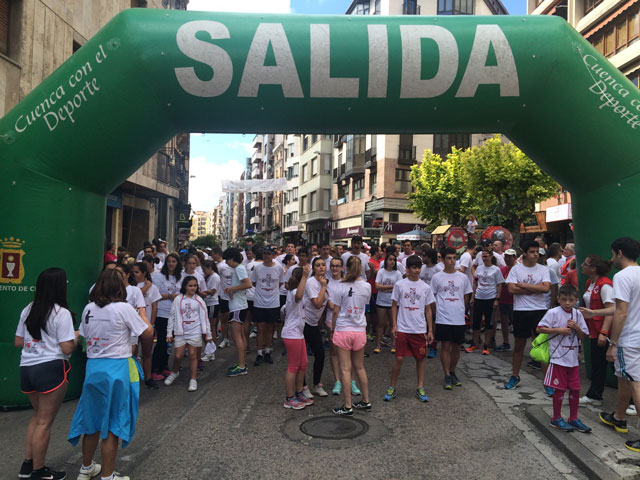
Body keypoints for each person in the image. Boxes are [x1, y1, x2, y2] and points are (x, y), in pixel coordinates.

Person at [68, 269, 153, 480]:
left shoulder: (89, 308)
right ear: (120, 287)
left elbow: (83, 336)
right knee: (113, 423)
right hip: (116, 368)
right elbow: (147, 332)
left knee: (92, 420)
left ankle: (86, 468)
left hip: (94, 368)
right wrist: (142, 313)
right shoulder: (124, 308)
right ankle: (108, 475)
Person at [15, 268, 78, 480]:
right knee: (45, 422)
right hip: (51, 368)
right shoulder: (62, 313)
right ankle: (39, 471)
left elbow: (18, 341)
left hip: (27, 367)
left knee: (37, 417)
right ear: (60, 287)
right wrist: (76, 338)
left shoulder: (28, 309)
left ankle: (28, 465)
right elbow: (67, 348)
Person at [586, 237, 640, 452]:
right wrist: (594, 312)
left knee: (635, 382)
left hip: (630, 338)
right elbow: (621, 307)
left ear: (619, 253)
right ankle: (618, 417)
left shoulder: (621, 276)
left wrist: (613, 343)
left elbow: (622, 312)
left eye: (612, 254)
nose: (611, 258)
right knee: (623, 378)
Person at [538, 285, 591, 433]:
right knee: (559, 389)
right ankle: (556, 418)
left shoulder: (578, 315)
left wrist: (577, 328)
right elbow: (540, 328)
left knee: (575, 389)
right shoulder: (553, 312)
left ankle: (573, 418)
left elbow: (583, 335)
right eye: (564, 299)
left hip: (573, 359)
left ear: (576, 300)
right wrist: (558, 330)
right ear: (558, 299)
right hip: (558, 358)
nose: (567, 303)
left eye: (571, 300)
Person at [384, 256, 435, 402]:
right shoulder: (400, 285)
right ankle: (392, 387)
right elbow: (394, 305)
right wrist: (394, 325)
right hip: (403, 328)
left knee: (420, 358)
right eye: (413, 267)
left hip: (419, 329)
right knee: (399, 358)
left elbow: (428, 310)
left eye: (419, 267)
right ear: (407, 269)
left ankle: (420, 387)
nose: (416, 270)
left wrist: (430, 330)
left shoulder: (425, 287)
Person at [504, 240, 551, 389]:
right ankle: (515, 376)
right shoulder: (516, 270)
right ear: (525, 253)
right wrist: (533, 289)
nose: (535, 254)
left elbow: (545, 289)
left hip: (539, 310)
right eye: (532, 252)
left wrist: (524, 285)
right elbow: (511, 289)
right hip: (521, 311)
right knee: (519, 345)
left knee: (542, 346)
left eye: (537, 252)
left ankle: (547, 382)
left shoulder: (543, 269)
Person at [330, 256, 372, 415]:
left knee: (345, 369)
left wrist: (333, 329)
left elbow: (335, 310)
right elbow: (364, 306)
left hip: (343, 329)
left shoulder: (340, 286)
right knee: (360, 367)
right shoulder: (367, 286)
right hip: (359, 329)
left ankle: (347, 406)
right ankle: (366, 400)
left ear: (346, 268)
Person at [431, 247, 473, 390]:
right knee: (445, 346)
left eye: (454, 258)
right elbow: (432, 298)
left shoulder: (463, 277)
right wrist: (437, 314)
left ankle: (453, 371)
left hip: (458, 317)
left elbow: (466, 296)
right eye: (448, 258)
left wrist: (462, 309)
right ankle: (447, 374)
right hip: (443, 317)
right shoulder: (437, 277)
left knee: (456, 347)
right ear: (442, 260)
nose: (452, 261)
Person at [577, 255, 613, 406]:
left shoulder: (605, 285)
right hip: (593, 329)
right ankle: (595, 394)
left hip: (603, 332)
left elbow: (611, 310)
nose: (582, 266)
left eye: (585, 264)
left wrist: (604, 333)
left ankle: (632, 400)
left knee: (614, 365)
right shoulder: (589, 283)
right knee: (598, 363)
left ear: (593, 268)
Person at [164, 276, 211, 391]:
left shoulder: (199, 300)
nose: (193, 288)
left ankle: (193, 379)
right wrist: (169, 333)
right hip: (181, 332)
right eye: (190, 285)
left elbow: (205, 318)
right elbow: (172, 316)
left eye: (195, 286)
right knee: (178, 355)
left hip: (195, 331)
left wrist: (208, 334)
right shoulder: (178, 299)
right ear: (185, 286)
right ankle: (174, 372)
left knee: (193, 355)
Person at [282, 265, 312, 409]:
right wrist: (305, 276)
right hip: (291, 334)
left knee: (303, 363)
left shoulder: (297, 291)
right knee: (293, 366)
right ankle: (289, 398)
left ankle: (299, 393)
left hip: (298, 333)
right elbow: (298, 296)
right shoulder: (294, 291)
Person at [150, 252, 183, 381]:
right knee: (162, 342)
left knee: (169, 343)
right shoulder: (159, 276)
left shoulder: (180, 276)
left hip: (175, 313)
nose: (171, 264)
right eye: (169, 261)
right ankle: (154, 368)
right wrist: (169, 296)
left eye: (174, 261)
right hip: (162, 313)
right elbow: (154, 294)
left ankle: (164, 366)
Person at [251, 246, 285, 365]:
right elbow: (254, 282)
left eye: (269, 253)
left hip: (273, 302)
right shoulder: (257, 268)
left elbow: (280, 282)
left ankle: (267, 351)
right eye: (265, 253)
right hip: (259, 302)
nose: (267, 256)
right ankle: (259, 353)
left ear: (273, 255)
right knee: (260, 328)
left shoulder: (278, 268)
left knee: (270, 328)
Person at [131, 262, 162, 389]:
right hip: (132, 325)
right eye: (132, 272)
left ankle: (148, 378)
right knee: (132, 352)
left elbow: (154, 306)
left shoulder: (153, 288)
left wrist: (152, 323)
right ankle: (132, 376)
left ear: (144, 273)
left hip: (146, 324)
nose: (134, 275)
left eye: (137, 272)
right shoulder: (130, 287)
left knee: (147, 353)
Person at [467, 250, 504, 355]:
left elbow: (499, 285)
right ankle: (475, 343)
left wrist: (497, 299)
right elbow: (475, 283)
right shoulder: (479, 268)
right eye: (483, 256)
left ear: (491, 256)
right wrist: (473, 297)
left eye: (486, 256)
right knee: (476, 323)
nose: (484, 258)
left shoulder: (496, 270)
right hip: (479, 297)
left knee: (489, 323)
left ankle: (486, 346)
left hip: (490, 298)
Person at [224, 248, 253, 377]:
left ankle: (241, 366)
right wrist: (232, 289)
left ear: (231, 258)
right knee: (240, 336)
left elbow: (248, 284)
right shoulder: (239, 269)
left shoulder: (239, 268)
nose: (226, 263)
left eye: (227, 260)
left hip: (238, 307)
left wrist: (233, 288)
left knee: (237, 337)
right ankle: (242, 364)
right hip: (239, 305)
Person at [303, 257, 329, 397]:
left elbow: (328, 304)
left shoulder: (325, 281)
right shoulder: (311, 283)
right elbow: (317, 304)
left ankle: (316, 384)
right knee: (303, 358)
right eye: (318, 265)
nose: (321, 267)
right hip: (303, 322)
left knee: (320, 354)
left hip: (314, 323)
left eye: (323, 265)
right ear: (313, 268)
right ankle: (303, 387)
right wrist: (324, 287)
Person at [375, 253, 403, 354]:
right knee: (380, 324)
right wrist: (391, 287)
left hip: (393, 302)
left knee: (393, 324)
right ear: (386, 261)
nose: (392, 262)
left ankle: (394, 344)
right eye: (390, 259)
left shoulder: (398, 273)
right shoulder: (381, 272)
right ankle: (378, 344)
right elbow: (377, 285)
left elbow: (399, 287)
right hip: (381, 301)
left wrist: (385, 287)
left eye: (393, 260)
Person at [326, 256, 345, 395]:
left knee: (347, 352)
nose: (334, 268)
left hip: (346, 321)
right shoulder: (326, 283)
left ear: (342, 268)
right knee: (334, 351)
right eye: (332, 265)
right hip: (330, 320)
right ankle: (337, 380)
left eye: (337, 266)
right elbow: (331, 304)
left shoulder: (347, 282)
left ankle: (350, 380)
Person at [495, 249, 517, 352]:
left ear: (514, 258)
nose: (508, 258)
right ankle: (506, 342)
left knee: (516, 323)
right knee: (504, 322)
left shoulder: (518, 269)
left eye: (511, 256)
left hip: (514, 301)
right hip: (503, 299)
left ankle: (518, 344)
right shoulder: (501, 269)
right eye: (507, 256)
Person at [213, 247, 234, 349]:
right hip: (224, 297)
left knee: (236, 321)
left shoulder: (239, 268)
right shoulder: (220, 267)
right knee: (224, 320)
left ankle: (237, 339)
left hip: (236, 299)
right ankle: (225, 339)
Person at [201, 260, 220, 362]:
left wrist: (200, 291)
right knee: (207, 328)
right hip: (207, 303)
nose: (204, 272)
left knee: (211, 328)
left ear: (209, 268)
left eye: (204, 269)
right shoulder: (208, 277)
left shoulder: (215, 277)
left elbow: (212, 291)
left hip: (212, 303)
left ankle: (211, 352)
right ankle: (208, 350)